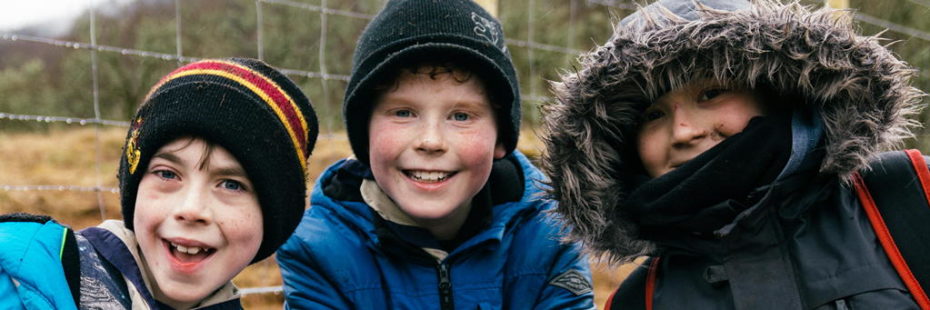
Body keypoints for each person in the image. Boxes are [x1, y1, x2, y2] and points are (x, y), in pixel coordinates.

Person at [540, 0, 927, 309]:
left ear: (775, 91)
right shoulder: (638, 301)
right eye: (652, 116)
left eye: (710, 94)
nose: (683, 131)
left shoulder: (911, 196)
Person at [276, 0, 595, 309]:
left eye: (461, 116)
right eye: (403, 113)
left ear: (501, 138)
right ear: (364, 135)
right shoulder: (318, 248)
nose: (430, 141)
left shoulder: (553, 233)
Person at [0, 57, 318, 309]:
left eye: (231, 184)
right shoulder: (26, 277)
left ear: (273, 218)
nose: (191, 209)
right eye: (167, 174)